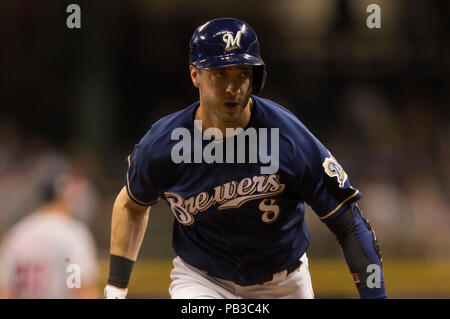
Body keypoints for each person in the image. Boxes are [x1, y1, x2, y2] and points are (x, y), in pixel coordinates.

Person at [104, 17, 386, 299]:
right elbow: (132, 205)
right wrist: (116, 288)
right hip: (202, 282)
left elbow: (348, 223)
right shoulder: (163, 145)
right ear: (194, 74)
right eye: (220, 74)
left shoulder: (287, 138)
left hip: (283, 285)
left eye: (242, 73)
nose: (233, 87)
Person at [0, 156, 99, 299]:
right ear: (63, 193)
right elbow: (82, 290)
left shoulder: (16, 234)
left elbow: (6, 293)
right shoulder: (73, 234)